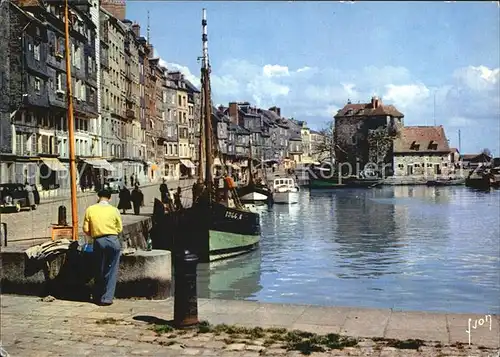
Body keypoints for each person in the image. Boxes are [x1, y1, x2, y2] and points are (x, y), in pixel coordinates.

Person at [82, 189, 123, 306]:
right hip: (113, 240)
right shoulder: (114, 210)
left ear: (98, 197)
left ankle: (97, 295)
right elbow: (119, 228)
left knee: (99, 268)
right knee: (112, 269)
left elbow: (85, 229)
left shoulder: (90, 209)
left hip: (99, 241)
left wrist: (93, 234)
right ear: (109, 198)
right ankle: (107, 298)